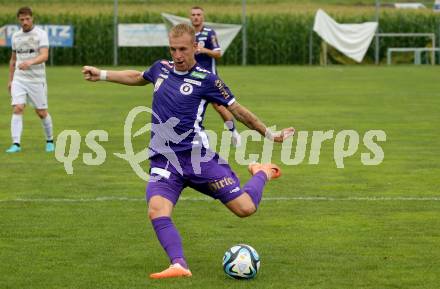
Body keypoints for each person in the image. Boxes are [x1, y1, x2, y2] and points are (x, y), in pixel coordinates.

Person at [82, 23, 294, 279]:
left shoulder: (208, 79)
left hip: (197, 159)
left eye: (183, 49)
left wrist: (271, 134)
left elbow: (239, 110)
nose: (177, 55)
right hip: (164, 160)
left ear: (195, 47)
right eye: (173, 49)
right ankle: (179, 264)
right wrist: (102, 75)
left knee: (245, 209)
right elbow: (137, 77)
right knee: (156, 210)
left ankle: (262, 172)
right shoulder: (161, 69)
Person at [190, 6, 241, 147]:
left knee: (220, 107)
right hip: (193, 77)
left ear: (203, 17)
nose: (196, 17)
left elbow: (218, 53)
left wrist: (203, 50)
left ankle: (234, 133)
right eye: (193, 14)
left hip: (209, 78)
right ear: (190, 17)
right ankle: (192, 137)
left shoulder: (209, 33)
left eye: (198, 14)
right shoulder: (187, 34)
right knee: (189, 106)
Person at [6, 6, 54, 153]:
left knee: (41, 112)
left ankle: (50, 140)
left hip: (37, 80)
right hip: (20, 79)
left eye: (27, 19)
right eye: (22, 20)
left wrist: (30, 62)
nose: (25, 22)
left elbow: (44, 55)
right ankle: (16, 144)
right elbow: (13, 60)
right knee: (18, 108)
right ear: (18, 20)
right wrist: (11, 80)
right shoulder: (16, 36)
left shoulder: (41, 34)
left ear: (32, 18)